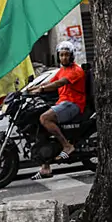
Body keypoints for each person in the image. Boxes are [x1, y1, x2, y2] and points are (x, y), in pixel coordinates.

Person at [27, 41, 86, 180]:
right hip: (62, 103)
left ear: (72, 56)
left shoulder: (76, 71)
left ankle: (67, 146)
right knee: (38, 123)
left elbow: (58, 83)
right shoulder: (61, 70)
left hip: (73, 104)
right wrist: (30, 88)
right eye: (61, 55)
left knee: (45, 118)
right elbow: (49, 82)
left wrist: (41, 89)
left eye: (66, 55)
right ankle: (45, 167)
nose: (64, 58)